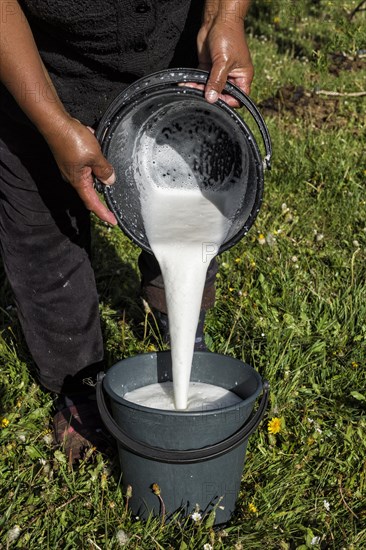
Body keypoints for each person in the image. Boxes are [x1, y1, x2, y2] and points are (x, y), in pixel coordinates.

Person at [0, 0, 254, 461]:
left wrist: (227, 16)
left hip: (168, 51)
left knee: (196, 197)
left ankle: (186, 339)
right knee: (43, 230)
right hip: (38, 64)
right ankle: (80, 380)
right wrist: (53, 124)